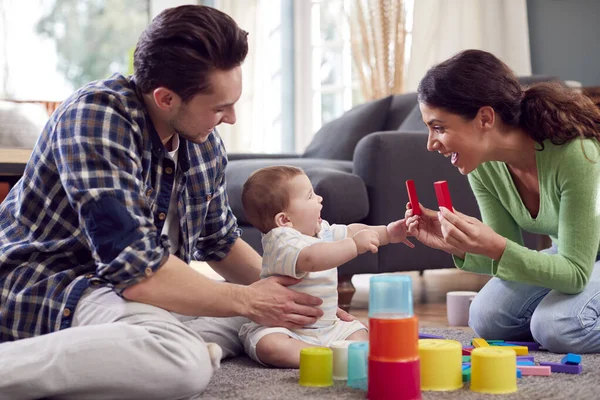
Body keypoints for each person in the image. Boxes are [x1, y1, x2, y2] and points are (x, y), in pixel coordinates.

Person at [0, 5, 357, 399]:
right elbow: (135, 272)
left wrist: (296, 301)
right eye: (220, 108)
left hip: (130, 295)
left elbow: (219, 243)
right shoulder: (97, 117)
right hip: (59, 286)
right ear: (166, 98)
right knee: (184, 363)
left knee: (251, 325)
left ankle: (137, 350)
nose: (232, 118)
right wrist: (250, 300)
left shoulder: (202, 144)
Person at [405, 49, 600, 353]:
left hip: (580, 263)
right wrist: (455, 244)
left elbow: (574, 274)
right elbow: (506, 254)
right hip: (571, 256)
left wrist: (495, 246)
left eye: (438, 127)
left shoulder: (575, 154)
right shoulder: (483, 166)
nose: (431, 144)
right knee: (487, 316)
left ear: (485, 118)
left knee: (557, 326)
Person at [239, 165, 414, 367]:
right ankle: (325, 357)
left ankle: (328, 354)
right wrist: (355, 245)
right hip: (286, 328)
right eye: (310, 196)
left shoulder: (321, 230)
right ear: (285, 219)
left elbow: (350, 231)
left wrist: (387, 233)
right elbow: (312, 259)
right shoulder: (281, 241)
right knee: (271, 346)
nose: (319, 198)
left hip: (328, 325)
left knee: (361, 336)